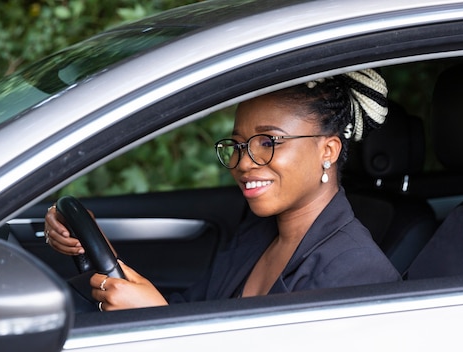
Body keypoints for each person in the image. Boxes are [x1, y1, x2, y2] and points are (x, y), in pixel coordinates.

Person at [45, 69, 401, 311]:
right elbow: (194, 310)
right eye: (239, 145)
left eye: (268, 142)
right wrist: (104, 257)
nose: (245, 162)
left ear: (328, 150)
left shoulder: (357, 274)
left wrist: (163, 322)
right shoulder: (259, 234)